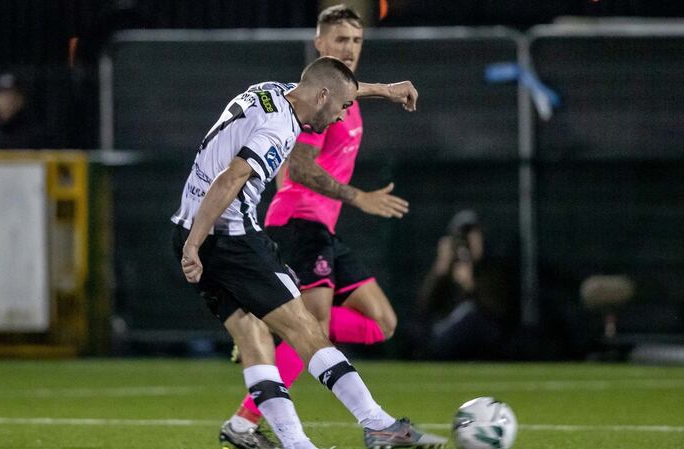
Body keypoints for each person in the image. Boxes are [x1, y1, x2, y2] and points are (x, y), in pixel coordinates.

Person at [172, 56, 446, 449]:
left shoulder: (270, 92)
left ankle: (292, 443)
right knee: (307, 330)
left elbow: (334, 86)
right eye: (340, 109)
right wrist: (196, 243)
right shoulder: (282, 129)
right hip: (229, 236)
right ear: (321, 97)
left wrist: (383, 90)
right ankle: (378, 424)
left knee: (254, 342)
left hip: (185, 226)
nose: (340, 118)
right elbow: (231, 176)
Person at [220, 6, 412, 447]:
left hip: (322, 228)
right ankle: (245, 422)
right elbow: (300, 169)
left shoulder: (344, 94)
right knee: (314, 326)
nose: (350, 48)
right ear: (320, 45)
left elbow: (357, 88)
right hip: (297, 220)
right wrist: (359, 197)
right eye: (340, 40)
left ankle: (267, 321)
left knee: (382, 322)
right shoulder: (317, 101)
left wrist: (389, 89)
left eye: (357, 40)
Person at [413, 210, 519, 360]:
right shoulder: (447, 269)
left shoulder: (492, 267)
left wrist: (470, 285)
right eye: (462, 235)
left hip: (487, 335)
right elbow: (425, 306)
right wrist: (440, 270)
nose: (467, 241)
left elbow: (499, 308)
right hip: (447, 336)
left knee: (469, 313)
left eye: (472, 235)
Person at [0, 72, 48, 149]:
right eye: (2, 95)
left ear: (21, 99)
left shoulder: (35, 135)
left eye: (12, 94)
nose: (8, 99)